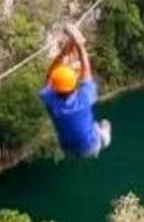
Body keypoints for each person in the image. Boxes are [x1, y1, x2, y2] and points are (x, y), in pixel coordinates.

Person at [40, 24, 111, 158]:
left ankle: (98, 133)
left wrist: (64, 53)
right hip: (90, 146)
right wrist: (79, 44)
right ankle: (103, 136)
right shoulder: (82, 99)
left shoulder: (51, 100)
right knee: (105, 124)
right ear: (74, 85)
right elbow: (86, 70)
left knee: (94, 125)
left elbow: (50, 76)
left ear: (55, 87)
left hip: (67, 148)